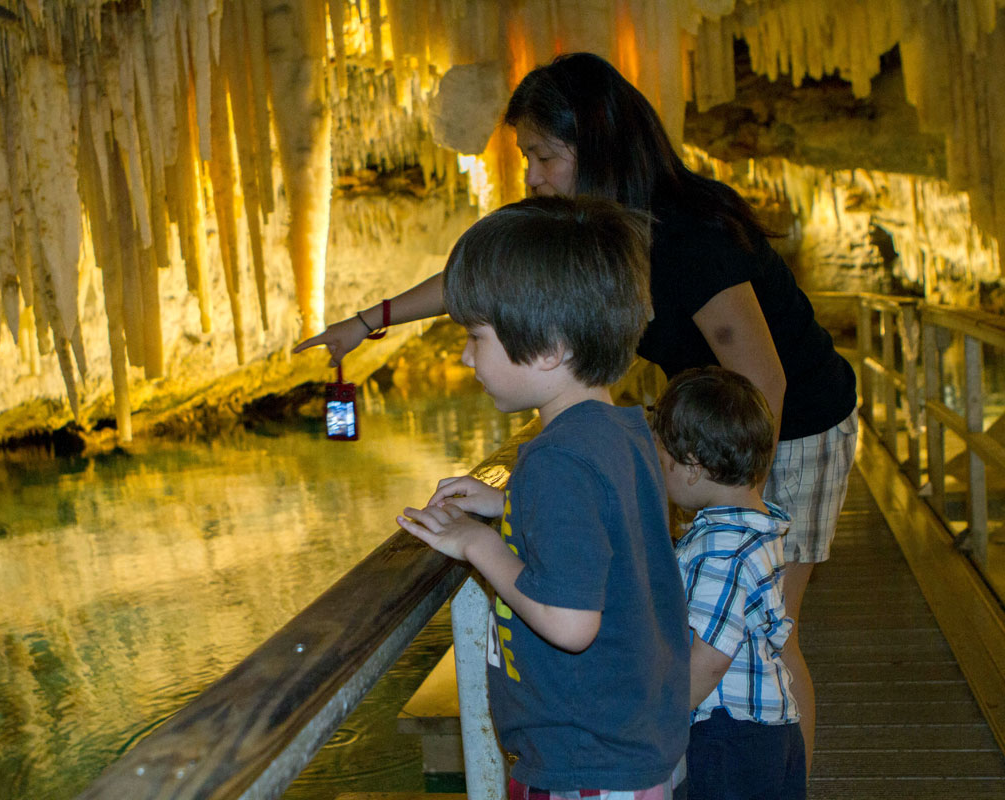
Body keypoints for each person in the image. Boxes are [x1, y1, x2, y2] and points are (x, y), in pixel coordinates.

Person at [296, 51, 856, 770]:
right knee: (700, 613)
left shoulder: (689, 240)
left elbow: (763, 379)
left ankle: (775, 773)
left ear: (597, 147)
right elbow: (498, 274)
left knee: (767, 629)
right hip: (702, 424)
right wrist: (370, 320)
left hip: (788, 422)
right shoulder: (603, 234)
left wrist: (735, 509)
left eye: (543, 155)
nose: (531, 175)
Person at [397, 196, 690, 798]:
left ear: (551, 347)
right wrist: (509, 507)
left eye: (477, 336)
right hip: (631, 743)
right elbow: (604, 529)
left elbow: (569, 620)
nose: (465, 355)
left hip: (585, 764)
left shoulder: (557, 457)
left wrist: (477, 542)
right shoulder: (622, 431)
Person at [649, 367, 805, 800]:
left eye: (664, 462)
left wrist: (661, 719)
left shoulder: (721, 548)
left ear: (693, 468)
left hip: (731, 737)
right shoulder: (757, 527)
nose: (660, 474)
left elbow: (710, 657)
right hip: (770, 731)